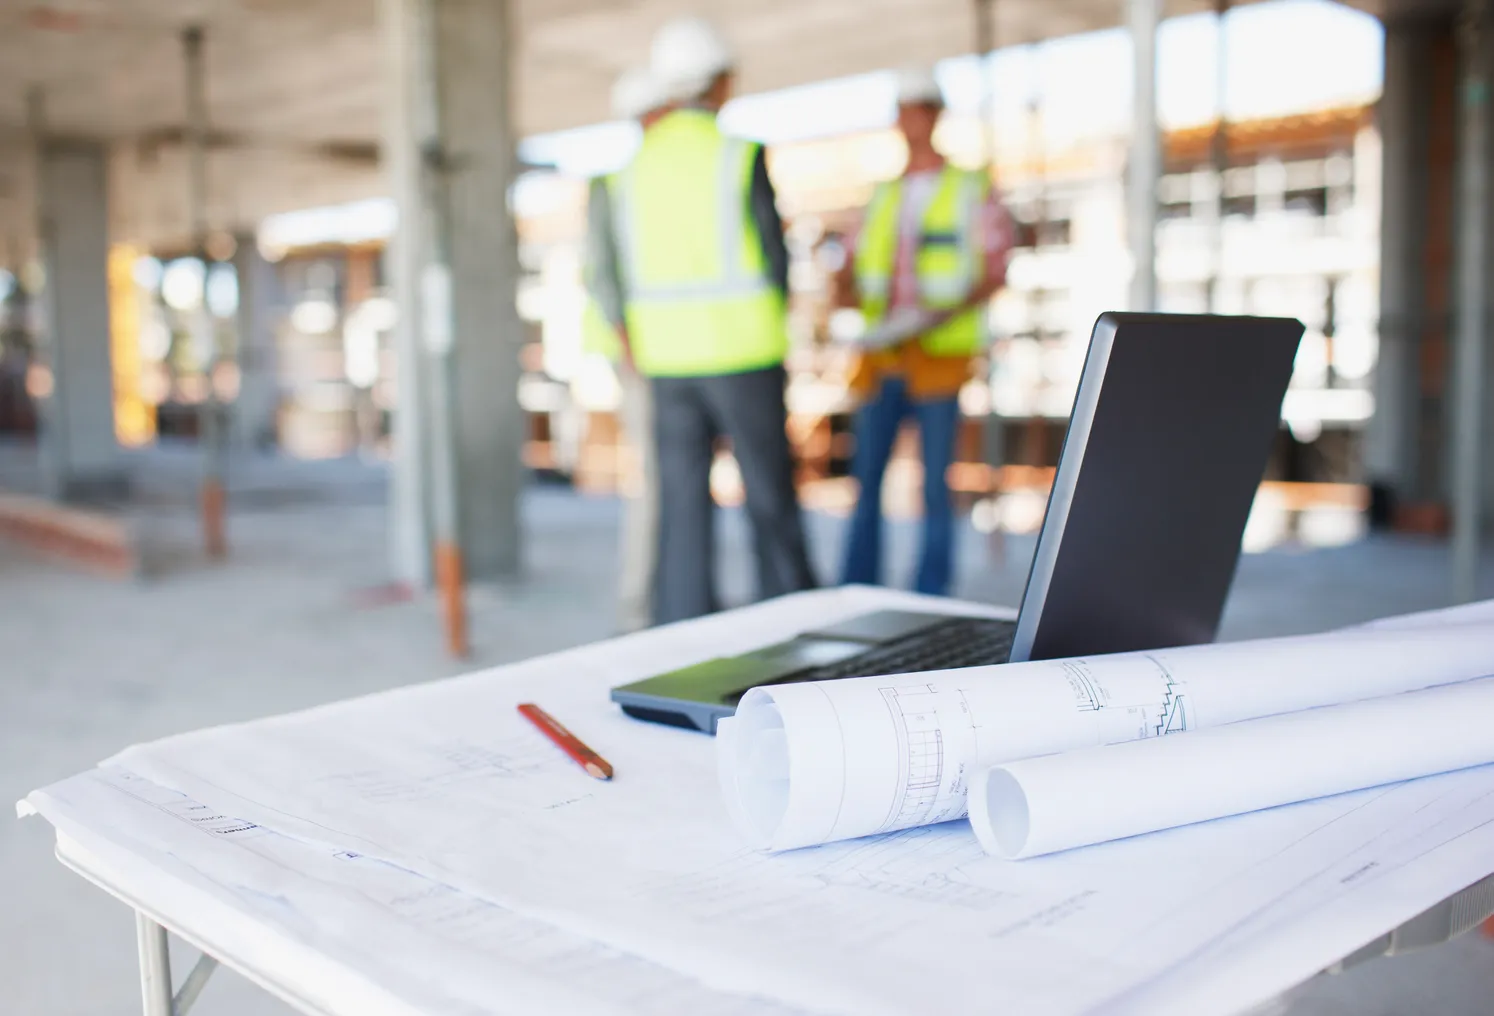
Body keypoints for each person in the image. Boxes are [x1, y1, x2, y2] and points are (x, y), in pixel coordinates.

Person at [593, 15, 817, 624]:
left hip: (668, 362)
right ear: (720, 81)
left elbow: (610, 274)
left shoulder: (625, 172)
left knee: (682, 512)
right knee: (770, 499)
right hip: (743, 353)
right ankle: (794, 626)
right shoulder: (738, 155)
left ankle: (681, 636)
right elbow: (775, 258)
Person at [836, 66, 1013, 597]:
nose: (911, 121)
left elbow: (995, 268)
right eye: (904, 111)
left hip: (939, 357)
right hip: (880, 358)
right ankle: (855, 590)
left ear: (935, 116)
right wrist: (844, 303)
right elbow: (845, 268)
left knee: (935, 487)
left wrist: (939, 313)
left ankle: (930, 595)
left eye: (921, 110)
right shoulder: (881, 196)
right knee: (867, 483)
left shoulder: (969, 188)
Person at [584, 66, 671, 632]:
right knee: (657, 486)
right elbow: (604, 277)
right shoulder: (618, 184)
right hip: (644, 358)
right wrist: (630, 346)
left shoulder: (655, 181)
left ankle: (668, 599)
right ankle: (637, 611)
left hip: (680, 355)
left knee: (672, 484)